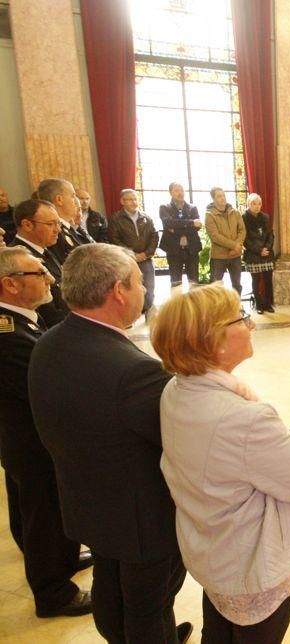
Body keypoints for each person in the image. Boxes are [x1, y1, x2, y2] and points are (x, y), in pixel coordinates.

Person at [28, 243, 191, 643]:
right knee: (148, 603)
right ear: (118, 290)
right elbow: (186, 441)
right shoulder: (133, 372)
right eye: (138, 283)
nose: (144, 291)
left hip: (88, 502)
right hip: (141, 517)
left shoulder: (49, 342)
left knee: (110, 588)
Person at [152, 285, 290, 643]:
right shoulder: (245, 418)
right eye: (242, 318)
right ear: (216, 342)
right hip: (253, 565)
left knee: (218, 632)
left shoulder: (176, 390)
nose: (252, 323)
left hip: (213, 553)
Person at [0, 247, 93, 618]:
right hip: (30, 441)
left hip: (30, 437)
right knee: (42, 515)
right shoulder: (7, 333)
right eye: (38, 273)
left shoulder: (22, 319)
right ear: (9, 284)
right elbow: (45, 386)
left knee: (47, 510)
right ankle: (53, 592)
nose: (50, 278)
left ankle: (65, 556)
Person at [9, 199, 70, 325]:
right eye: (51, 224)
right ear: (27, 225)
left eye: (58, 223)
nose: (57, 229)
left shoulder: (44, 250)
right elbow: (43, 308)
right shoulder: (17, 258)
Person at [107, 188, 159, 318]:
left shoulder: (146, 217)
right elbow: (114, 239)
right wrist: (132, 255)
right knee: (129, 287)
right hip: (126, 260)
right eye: (129, 199)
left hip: (146, 258)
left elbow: (154, 236)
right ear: (122, 201)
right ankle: (132, 314)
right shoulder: (116, 219)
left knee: (149, 286)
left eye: (135, 199)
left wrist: (146, 253)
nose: (133, 202)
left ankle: (148, 311)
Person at [159, 182, 202, 290]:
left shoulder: (192, 208)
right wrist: (191, 223)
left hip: (191, 249)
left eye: (182, 190)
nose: (180, 193)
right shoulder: (165, 207)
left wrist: (175, 229)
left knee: (194, 281)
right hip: (174, 250)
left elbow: (197, 227)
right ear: (171, 192)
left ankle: (195, 305)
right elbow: (168, 223)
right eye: (177, 190)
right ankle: (177, 306)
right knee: (176, 282)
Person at [205, 187, 245, 296]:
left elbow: (242, 230)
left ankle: (236, 308)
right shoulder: (209, 215)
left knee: (237, 284)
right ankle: (216, 311)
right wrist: (234, 245)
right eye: (219, 196)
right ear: (213, 199)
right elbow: (215, 236)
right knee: (216, 286)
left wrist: (238, 245)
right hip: (219, 257)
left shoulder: (235, 212)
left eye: (223, 195)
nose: (222, 198)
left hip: (235, 255)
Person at [37, 178, 84, 265]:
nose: (77, 202)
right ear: (59, 200)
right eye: (73, 196)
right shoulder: (54, 232)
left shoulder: (67, 228)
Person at [242, 193, 275, 314]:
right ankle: (258, 305)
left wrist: (267, 248)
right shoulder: (243, 218)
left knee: (268, 281)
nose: (257, 206)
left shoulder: (265, 217)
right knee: (256, 281)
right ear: (248, 204)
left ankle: (268, 304)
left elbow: (270, 235)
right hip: (253, 254)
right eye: (253, 204)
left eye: (259, 204)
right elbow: (245, 239)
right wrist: (258, 250)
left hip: (266, 253)